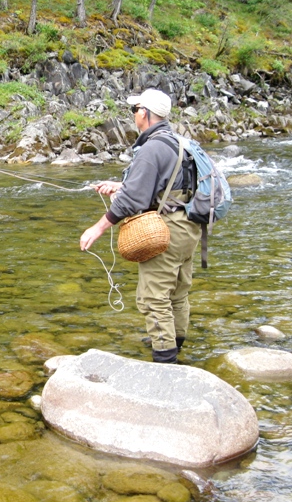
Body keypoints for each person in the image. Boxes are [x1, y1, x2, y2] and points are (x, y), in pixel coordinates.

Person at [79, 88, 201, 364]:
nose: (134, 115)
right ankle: (176, 343)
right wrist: (122, 185)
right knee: (178, 292)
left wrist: (97, 228)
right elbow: (170, 184)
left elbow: (133, 201)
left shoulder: (152, 147)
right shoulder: (177, 142)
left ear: (144, 113)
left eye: (135, 110)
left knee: (153, 297)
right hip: (190, 225)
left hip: (166, 230)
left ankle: (165, 360)